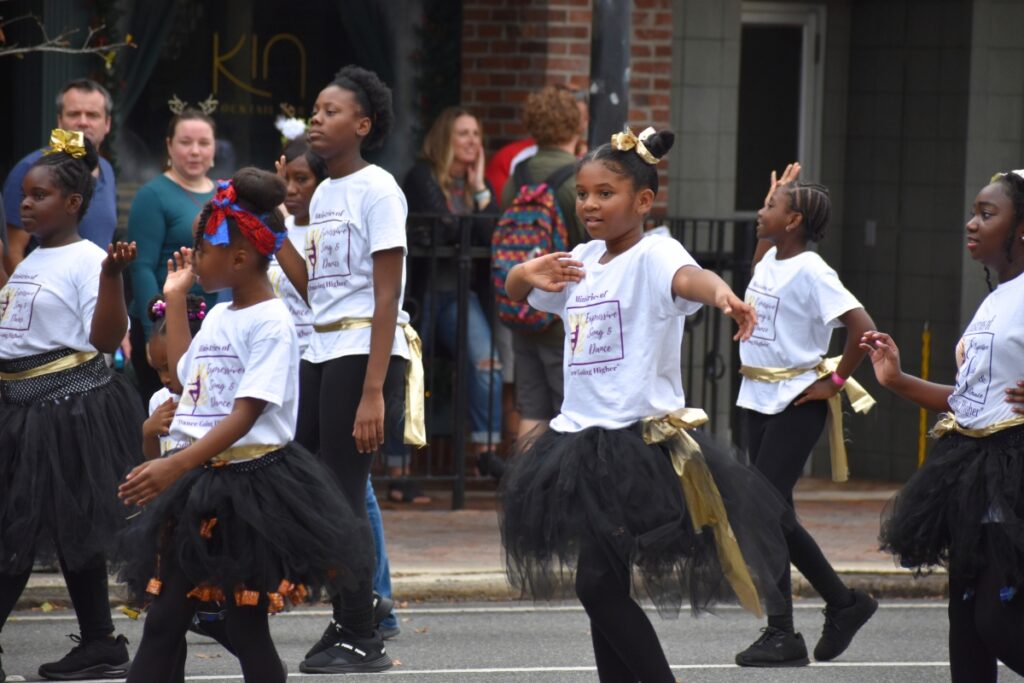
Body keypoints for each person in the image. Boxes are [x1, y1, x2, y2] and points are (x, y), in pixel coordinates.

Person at [499, 125, 794, 682]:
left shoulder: (656, 253)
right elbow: (519, 293)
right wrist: (521, 272)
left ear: (642, 201)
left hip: (632, 447)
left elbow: (690, 278)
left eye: (605, 193)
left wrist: (723, 295)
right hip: (578, 444)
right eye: (583, 194)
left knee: (595, 585)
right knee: (602, 587)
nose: (589, 204)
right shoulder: (582, 258)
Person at [116, 168, 366, 683]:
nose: (195, 258)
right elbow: (185, 378)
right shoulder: (219, 314)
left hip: (248, 490)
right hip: (200, 483)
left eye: (203, 249)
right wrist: (177, 298)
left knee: (247, 627)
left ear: (238, 257)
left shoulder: (271, 322)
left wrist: (174, 466)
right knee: (163, 623)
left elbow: (246, 414)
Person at [275, 65, 419, 673]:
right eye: (315, 109)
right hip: (322, 348)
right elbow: (316, 288)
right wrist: (270, 234)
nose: (317, 118)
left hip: (363, 350)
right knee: (306, 480)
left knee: (342, 494)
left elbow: (386, 296)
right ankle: (352, 613)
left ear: (363, 125)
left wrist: (373, 393)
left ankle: (361, 630)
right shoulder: (325, 193)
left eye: (330, 111)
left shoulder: (378, 189)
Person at [860, 170, 1024, 683]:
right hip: (972, 469)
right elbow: (970, 400)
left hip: (1014, 474)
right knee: (966, 623)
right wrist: (897, 379)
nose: (971, 224)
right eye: (974, 213)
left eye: (987, 214)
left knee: (998, 621)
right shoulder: (996, 299)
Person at [0, 130, 142, 681]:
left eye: (39, 196)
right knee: (65, 530)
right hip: (21, 410)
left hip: (67, 411)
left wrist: (112, 279)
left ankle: (102, 641)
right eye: (24, 195)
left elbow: (104, 339)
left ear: (73, 202)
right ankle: (101, 641)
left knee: (18, 530)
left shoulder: (88, 259)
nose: (25, 204)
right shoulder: (33, 258)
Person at [733, 177, 879, 667]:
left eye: (770, 205)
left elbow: (862, 328)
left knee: (760, 509)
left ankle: (783, 631)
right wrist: (773, 201)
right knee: (775, 514)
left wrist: (835, 382)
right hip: (757, 396)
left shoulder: (814, 270)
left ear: (793, 220)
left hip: (796, 401)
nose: (761, 211)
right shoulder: (771, 260)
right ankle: (842, 605)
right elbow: (757, 273)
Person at [402, 106, 503, 479]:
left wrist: (479, 190)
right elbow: (442, 228)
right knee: (408, 374)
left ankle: (485, 457)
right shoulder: (422, 176)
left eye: (476, 134)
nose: (472, 141)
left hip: (460, 294)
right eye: (463, 133)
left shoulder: (478, 186)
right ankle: (398, 470)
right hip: (422, 293)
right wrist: (467, 225)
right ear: (445, 138)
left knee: (487, 363)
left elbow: (493, 237)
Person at [501, 85, 587, 441]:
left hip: (522, 307)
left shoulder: (518, 176)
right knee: (572, 411)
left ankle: (525, 476)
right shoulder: (578, 179)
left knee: (532, 411)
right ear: (576, 124)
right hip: (561, 315)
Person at [126, 107, 218, 401]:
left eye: (203, 143)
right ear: (169, 145)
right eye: (185, 142)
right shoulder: (152, 195)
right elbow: (141, 267)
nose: (195, 151)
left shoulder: (223, 194)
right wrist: (153, 330)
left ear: (214, 148)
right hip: (164, 321)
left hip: (212, 322)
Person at [3, 79, 117, 273]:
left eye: (92, 115)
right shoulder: (31, 169)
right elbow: (12, 252)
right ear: (59, 120)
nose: (83, 122)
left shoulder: (107, 168)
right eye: (74, 114)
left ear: (107, 124)